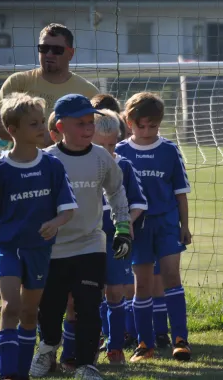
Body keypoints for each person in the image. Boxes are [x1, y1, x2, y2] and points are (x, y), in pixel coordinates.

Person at [30, 94, 131, 380]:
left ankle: (87, 364)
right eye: (80, 123)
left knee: (88, 304)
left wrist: (122, 228)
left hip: (90, 245)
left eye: (90, 122)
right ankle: (48, 347)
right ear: (60, 126)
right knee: (50, 306)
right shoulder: (47, 160)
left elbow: (117, 192)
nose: (88, 129)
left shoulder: (102, 157)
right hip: (53, 248)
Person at [0, 93, 77, 380]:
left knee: (30, 313)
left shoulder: (52, 166)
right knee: (11, 306)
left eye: (42, 122)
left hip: (39, 250)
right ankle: (7, 374)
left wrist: (55, 222)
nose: (43, 128)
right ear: (12, 130)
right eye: (34, 124)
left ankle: (23, 371)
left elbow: (68, 209)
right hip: (8, 248)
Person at [115, 92, 192, 362]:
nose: (147, 131)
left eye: (153, 125)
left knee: (172, 276)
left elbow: (181, 192)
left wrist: (185, 225)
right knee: (142, 285)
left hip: (167, 224)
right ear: (128, 122)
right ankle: (144, 344)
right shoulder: (120, 152)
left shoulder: (169, 150)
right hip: (137, 228)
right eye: (140, 125)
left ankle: (180, 339)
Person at [94, 110, 147, 364]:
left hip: (117, 239)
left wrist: (126, 222)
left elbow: (138, 203)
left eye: (112, 144)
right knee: (90, 294)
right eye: (100, 144)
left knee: (115, 293)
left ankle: (115, 347)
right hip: (86, 240)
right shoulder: (83, 166)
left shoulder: (124, 165)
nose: (107, 150)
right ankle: (92, 343)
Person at [0, 23, 99, 149]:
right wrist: (37, 137)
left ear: (71, 54)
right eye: (43, 48)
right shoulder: (18, 82)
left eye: (57, 50)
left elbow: (100, 132)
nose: (49, 54)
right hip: (17, 162)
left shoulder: (88, 92)